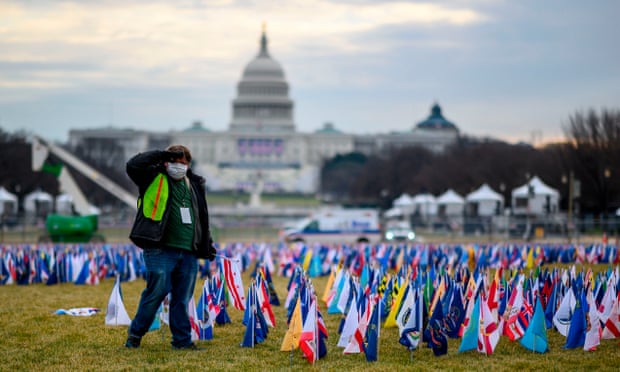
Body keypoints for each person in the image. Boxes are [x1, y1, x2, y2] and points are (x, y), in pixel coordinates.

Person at [124, 145, 216, 350]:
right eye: (175, 162)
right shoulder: (152, 177)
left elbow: (201, 218)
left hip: (188, 251)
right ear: (166, 162)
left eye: (183, 163)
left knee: (182, 299)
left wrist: (206, 244)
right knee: (156, 292)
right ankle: (135, 335)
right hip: (160, 247)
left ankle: (182, 341)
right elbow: (132, 165)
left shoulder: (195, 183)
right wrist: (160, 154)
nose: (179, 167)